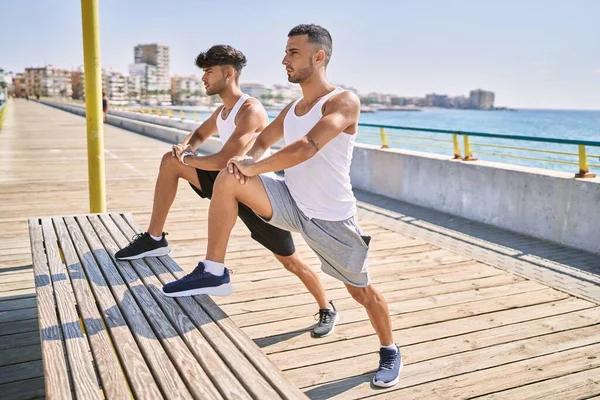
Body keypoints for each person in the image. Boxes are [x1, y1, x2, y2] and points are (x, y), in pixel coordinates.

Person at [161, 25, 402, 388]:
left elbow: (307, 145)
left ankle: (390, 349)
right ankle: (213, 269)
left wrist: (254, 167)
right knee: (229, 178)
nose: (284, 59)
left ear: (318, 57)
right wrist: (243, 160)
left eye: (293, 52)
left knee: (361, 292)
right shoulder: (292, 108)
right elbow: (263, 141)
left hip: (331, 219)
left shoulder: (342, 101)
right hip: (290, 201)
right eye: (286, 51)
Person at [116, 44, 338, 338]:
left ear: (228, 73)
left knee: (289, 260)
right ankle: (155, 238)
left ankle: (326, 306)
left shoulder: (250, 109)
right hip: (225, 183)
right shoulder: (223, 111)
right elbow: (199, 135)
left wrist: (190, 158)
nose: (203, 78)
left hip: (254, 193)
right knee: (171, 162)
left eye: (208, 71)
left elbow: (224, 158)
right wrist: (186, 148)